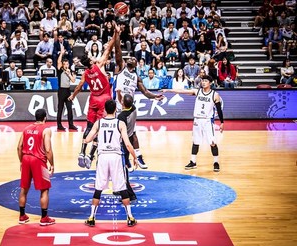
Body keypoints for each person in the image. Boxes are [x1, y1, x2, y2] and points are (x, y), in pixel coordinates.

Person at [68, 23, 119, 169]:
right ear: (90, 61)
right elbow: (109, 48)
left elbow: (78, 86)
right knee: (99, 128)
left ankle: (82, 152)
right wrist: (116, 33)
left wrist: (73, 96)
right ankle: (91, 155)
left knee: (89, 127)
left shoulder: (85, 73)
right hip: (104, 99)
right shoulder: (100, 65)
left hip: (93, 100)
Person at [114, 24, 164, 169]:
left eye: (132, 58)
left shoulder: (136, 77)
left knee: (132, 134)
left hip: (129, 109)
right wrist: (117, 35)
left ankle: (139, 157)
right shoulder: (121, 67)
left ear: (135, 64)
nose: (130, 58)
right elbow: (117, 50)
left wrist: (155, 97)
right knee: (121, 136)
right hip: (118, 106)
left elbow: (145, 92)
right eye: (128, 57)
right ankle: (126, 159)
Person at [84, 99, 138, 227]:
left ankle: (91, 217)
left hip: (102, 156)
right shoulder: (120, 123)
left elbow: (88, 139)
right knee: (122, 187)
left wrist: (90, 138)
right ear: (115, 110)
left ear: (104, 110)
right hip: (115, 156)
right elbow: (128, 144)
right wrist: (135, 157)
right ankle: (130, 217)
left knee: (98, 188)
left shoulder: (99, 123)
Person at [161, 75, 224, 172]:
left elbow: (219, 110)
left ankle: (216, 162)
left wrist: (222, 122)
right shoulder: (197, 91)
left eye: (206, 81)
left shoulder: (215, 95)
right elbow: (182, 91)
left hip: (207, 121)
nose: (203, 82)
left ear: (210, 83)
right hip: (197, 120)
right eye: (202, 81)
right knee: (195, 141)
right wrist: (168, 90)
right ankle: (193, 161)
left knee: (212, 142)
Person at [17, 108, 55, 225]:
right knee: (44, 189)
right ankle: (44, 218)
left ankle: (22, 216)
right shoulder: (46, 130)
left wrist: (21, 161)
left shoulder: (26, 129)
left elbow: (19, 147)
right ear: (45, 118)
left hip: (26, 158)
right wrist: (52, 164)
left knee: (24, 188)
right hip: (38, 160)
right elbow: (48, 149)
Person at [56, 44, 77, 131]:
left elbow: (73, 80)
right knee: (60, 108)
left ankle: (71, 124)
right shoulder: (60, 70)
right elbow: (58, 62)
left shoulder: (70, 71)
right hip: (61, 91)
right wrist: (61, 53)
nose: (66, 65)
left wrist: (69, 74)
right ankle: (59, 125)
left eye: (67, 63)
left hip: (68, 91)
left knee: (69, 108)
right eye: (64, 64)